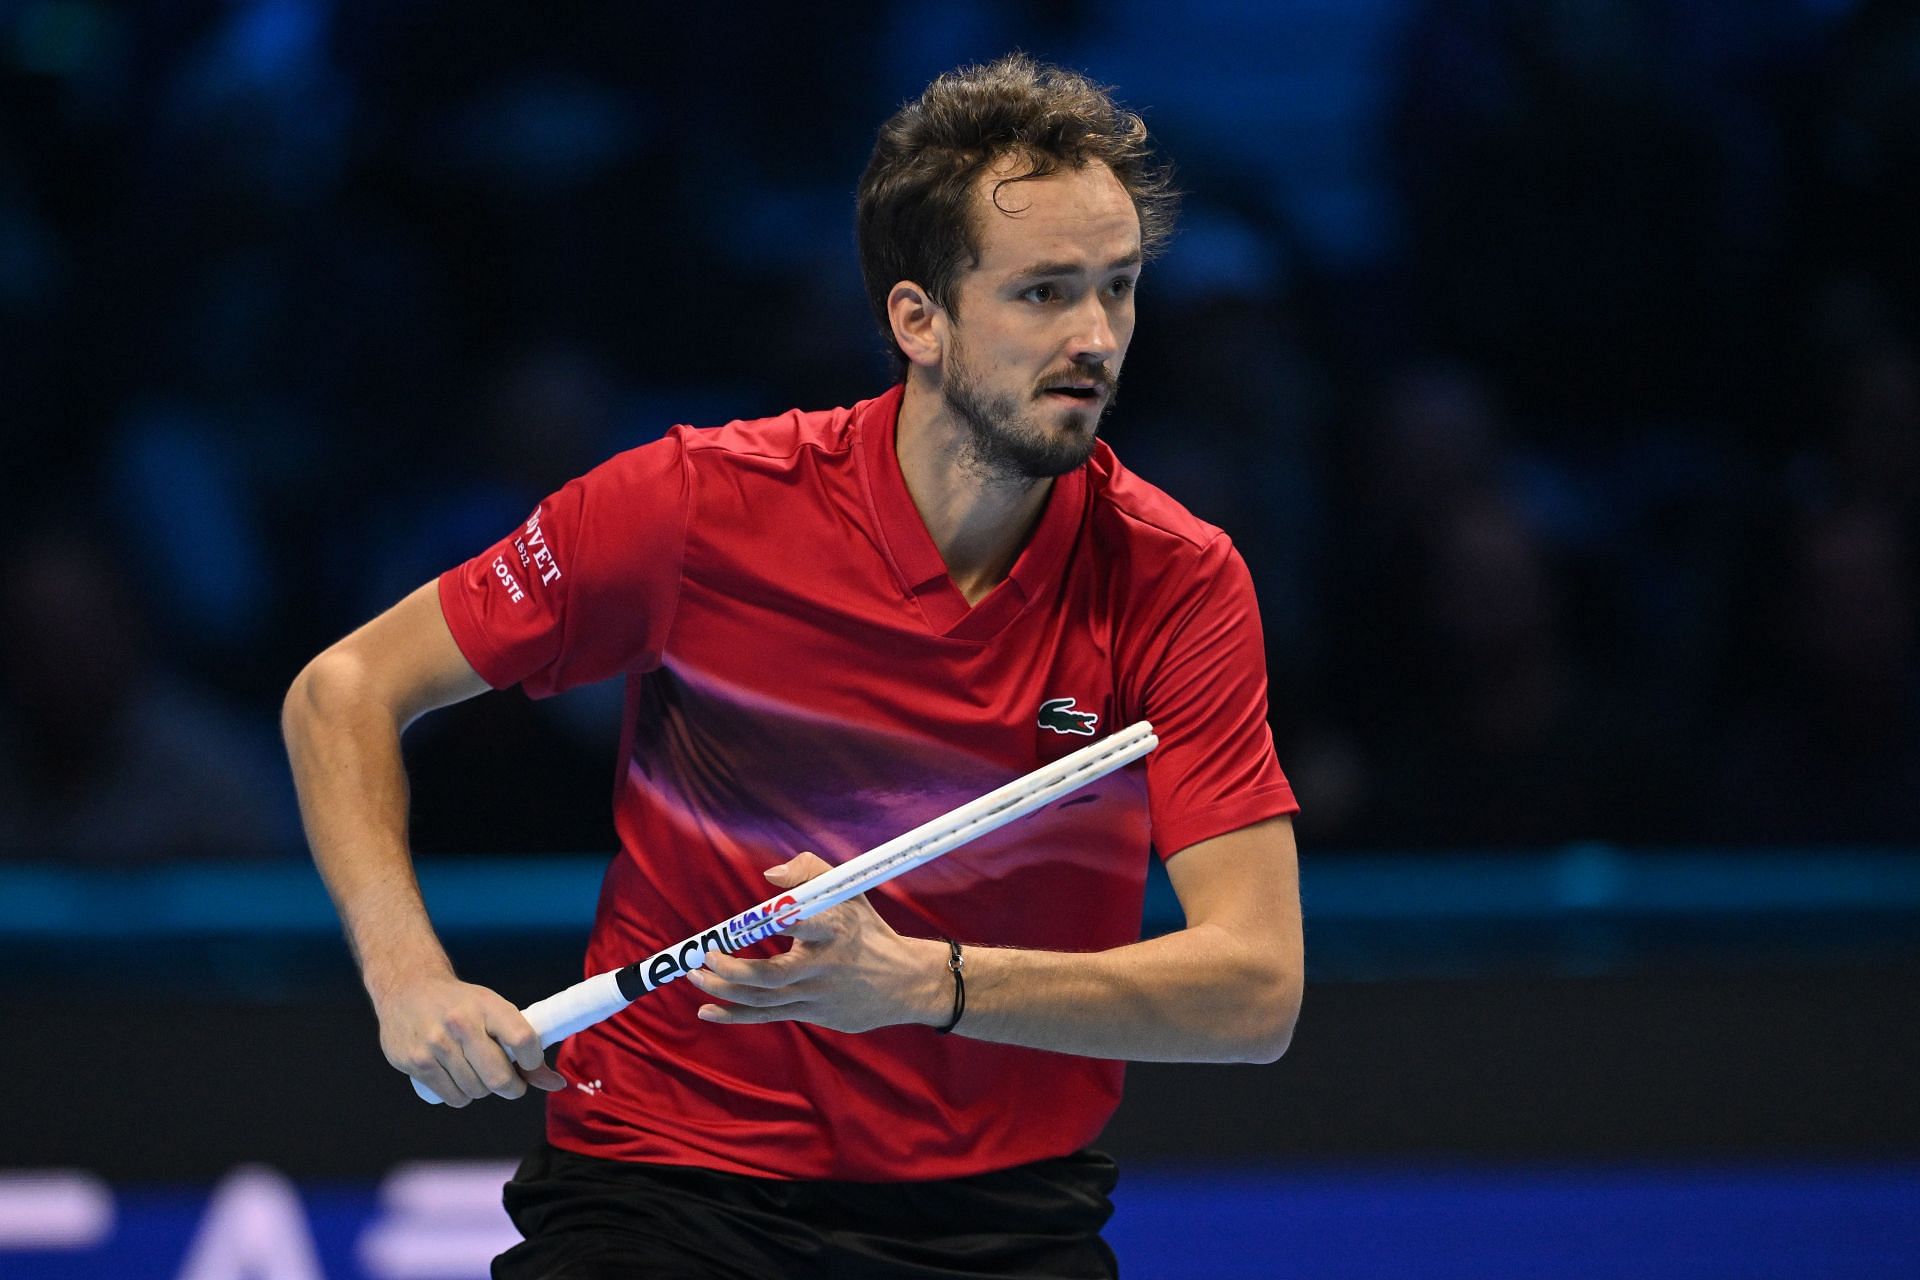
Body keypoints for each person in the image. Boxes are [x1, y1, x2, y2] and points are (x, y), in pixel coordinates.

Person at [283, 54, 1303, 1279]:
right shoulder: (693, 507)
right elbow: (342, 689)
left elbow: (1255, 988)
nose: (1095, 337)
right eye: (1043, 293)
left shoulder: (1176, 578)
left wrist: (926, 982)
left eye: (1119, 289)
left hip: (999, 1222)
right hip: (664, 1188)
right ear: (916, 317)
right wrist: (408, 977)